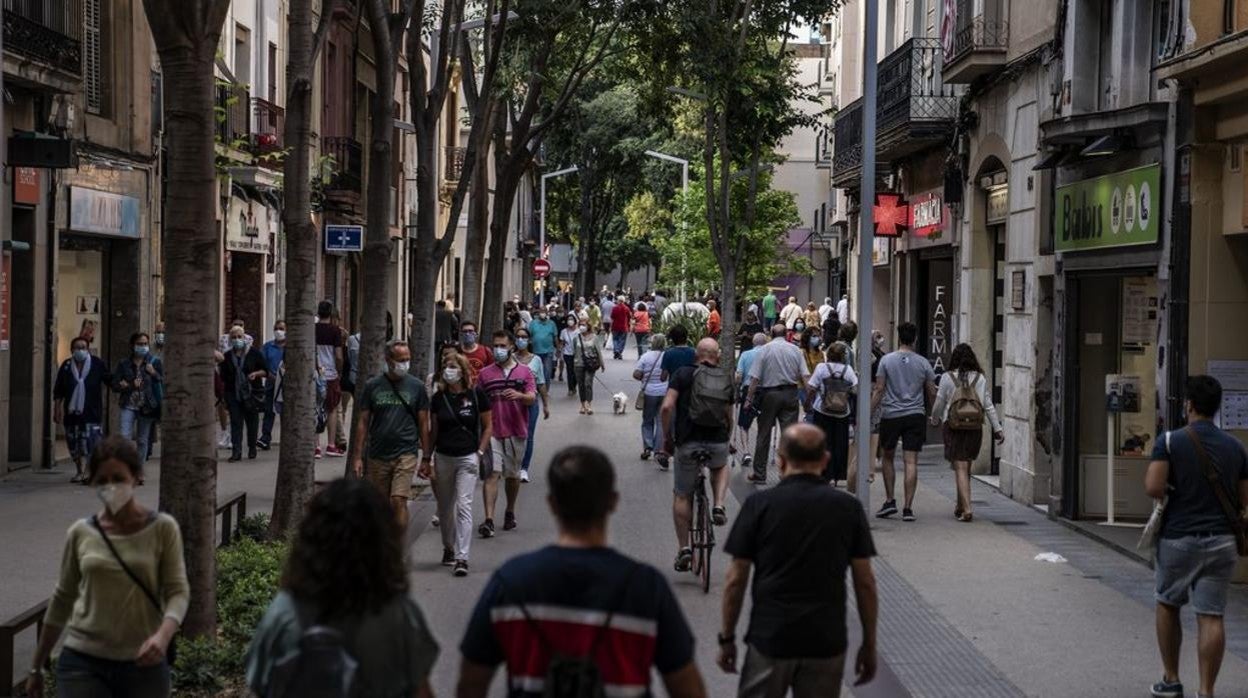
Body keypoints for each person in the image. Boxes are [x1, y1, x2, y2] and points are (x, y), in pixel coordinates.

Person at [457, 446, 707, 698]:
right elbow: (687, 687)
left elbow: (471, 685)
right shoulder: (647, 588)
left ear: (552, 504)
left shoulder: (510, 583)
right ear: (613, 501)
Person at [718, 424, 878, 698]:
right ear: (825, 460)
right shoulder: (848, 509)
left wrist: (727, 638)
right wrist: (869, 643)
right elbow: (865, 583)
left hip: (771, 638)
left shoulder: (759, 506)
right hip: (825, 641)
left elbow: (735, 579)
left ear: (780, 461)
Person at [245, 479, 439, 697]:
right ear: (384, 541)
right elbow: (420, 690)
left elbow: (261, 684)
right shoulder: (398, 613)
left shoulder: (284, 614)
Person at [27, 436, 189, 698]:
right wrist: (37, 667)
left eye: (118, 478)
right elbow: (62, 598)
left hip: (144, 664)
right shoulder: (81, 533)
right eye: (102, 480)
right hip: (83, 661)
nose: (110, 487)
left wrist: (163, 636)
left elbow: (178, 592)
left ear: (136, 477)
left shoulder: (162, 529)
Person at [1143, 375, 1248, 698]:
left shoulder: (1171, 441)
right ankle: (1207, 690)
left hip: (1178, 538)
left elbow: (1154, 487)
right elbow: (1244, 499)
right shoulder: (1236, 447)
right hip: (1221, 542)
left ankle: (1171, 679)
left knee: (1168, 604)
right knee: (1211, 614)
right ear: (1216, 407)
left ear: (1188, 404)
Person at [661, 338, 734, 572]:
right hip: (717, 441)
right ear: (717, 356)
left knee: (682, 495)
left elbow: (666, 407)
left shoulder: (682, 374)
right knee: (721, 465)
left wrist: (667, 438)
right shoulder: (725, 376)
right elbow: (728, 416)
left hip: (688, 442)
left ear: (696, 355)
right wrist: (726, 438)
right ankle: (719, 505)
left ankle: (684, 549)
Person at [351, 340, 432, 531]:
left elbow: (423, 422)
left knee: (398, 499)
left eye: (408, 359)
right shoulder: (373, 386)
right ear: (388, 360)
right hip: (378, 454)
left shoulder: (417, 387)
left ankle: (397, 545)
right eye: (400, 359)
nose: (405, 363)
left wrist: (426, 457)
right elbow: (363, 422)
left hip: (406, 452)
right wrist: (357, 457)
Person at [430, 353, 492, 576]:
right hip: (443, 457)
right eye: (446, 366)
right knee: (445, 508)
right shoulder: (438, 398)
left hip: (468, 457)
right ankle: (448, 546)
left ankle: (462, 557)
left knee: (464, 506)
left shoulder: (476, 395)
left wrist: (480, 451)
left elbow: (487, 426)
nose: (449, 370)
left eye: (453, 366)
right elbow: (434, 430)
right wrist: (427, 457)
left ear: (463, 371)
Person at [871, 321, 937, 521]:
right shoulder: (923, 363)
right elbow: (931, 391)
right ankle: (908, 508)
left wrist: (868, 411)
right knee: (911, 461)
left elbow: (879, 389)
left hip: (891, 415)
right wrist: (935, 413)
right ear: (915, 339)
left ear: (899, 338)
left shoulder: (886, 361)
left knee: (888, 458)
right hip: (915, 415)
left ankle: (890, 500)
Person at [929, 343, 1003, 521]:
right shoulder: (980, 378)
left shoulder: (947, 378)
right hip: (975, 427)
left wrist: (934, 419)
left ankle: (967, 508)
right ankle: (960, 505)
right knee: (965, 466)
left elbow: (939, 403)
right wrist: (998, 428)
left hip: (953, 426)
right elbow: (987, 405)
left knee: (959, 466)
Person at [477, 331, 537, 536]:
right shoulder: (485, 374)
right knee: (492, 474)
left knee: (512, 476)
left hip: (516, 430)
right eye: (495, 345)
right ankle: (489, 520)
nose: (498, 350)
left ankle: (510, 511)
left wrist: (520, 395)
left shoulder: (525, 372)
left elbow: (531, 398)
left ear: (511, 346)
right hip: (492, 431)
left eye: (502, 345)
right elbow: (478, 402)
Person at [744, 324, 810, 484]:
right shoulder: (795, 350)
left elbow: (755, 378)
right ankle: (788, 473)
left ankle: (759, 473)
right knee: (789, 436)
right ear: (786, 334)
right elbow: (805, 376)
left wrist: (748, 399)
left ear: (771, 334)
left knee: (763, 433)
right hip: (790, 394)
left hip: (769, 395)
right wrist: (810, 398)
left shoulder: (764, 350)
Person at [54, 336, 109, 483]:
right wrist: (57, 409)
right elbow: (58, 390)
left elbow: (110, 379)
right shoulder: (66, 367)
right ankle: (79, 470)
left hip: (91, 412)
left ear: (88, 349)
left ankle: (90, 472)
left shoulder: (97, 364)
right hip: (72, 415)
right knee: (74, 444)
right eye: (77, 348)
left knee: (91, 443)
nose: (80, 350)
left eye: (83, 347)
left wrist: (124, 383)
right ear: (72, 350)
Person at [806, 342, 858, 485]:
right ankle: (837, 475)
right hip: (842, 412)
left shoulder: (821, 368)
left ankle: (822, 473)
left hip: (821, 410)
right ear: (843, 356)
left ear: (828, 354)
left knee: (822, 442)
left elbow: (811, 388)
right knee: (840, 443)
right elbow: (855, 388)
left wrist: (807, 403)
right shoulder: (848, 370)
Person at [113, 332, 163, 466]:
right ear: (132, 345)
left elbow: (162, 381)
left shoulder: (155, 362)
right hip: (128, 405)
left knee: (142, 440)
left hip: (147, 406)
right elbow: (115, 384)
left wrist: (154, 373)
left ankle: (139, 470)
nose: (143, 346)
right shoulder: (123, 363)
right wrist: (128, 385)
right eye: (139, 344)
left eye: (145, 344)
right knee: (124, 438)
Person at [219, 326, 267, 462]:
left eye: (239, 337)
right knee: (235, 422)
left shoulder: (254, 353)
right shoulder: (227, 356)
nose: (237, 340)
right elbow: (223, 378)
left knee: (252, 422)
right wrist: (223, 396)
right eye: (233, 337)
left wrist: (256, 374)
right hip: (233, 394)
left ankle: (252, 447)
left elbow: (265, 371)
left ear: (244, 338)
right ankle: (236, 451)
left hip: (251, 393)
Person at [513, 326, 550, 483]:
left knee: (528, 435)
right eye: (518, 337)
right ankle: (512, 464)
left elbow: (541, 383)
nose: (521, 340)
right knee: (512, 435)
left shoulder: (536, 360)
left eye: (524, 337)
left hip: (531, 403)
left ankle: (524, 468)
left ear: (529, 341)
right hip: (511, 403)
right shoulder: (510, 358)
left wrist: (546, 405)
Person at [314, 301, 346, 458]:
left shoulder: (312, 330)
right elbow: (339, 356)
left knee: (315, 408)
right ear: (331, 313)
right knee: (332, 409)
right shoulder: (335, 331)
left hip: (315, 374)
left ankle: (316, 446)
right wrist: (339, 371)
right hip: (331, 374)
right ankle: (331, 444)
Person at [734, 333, 768, 470]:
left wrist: (737, 385)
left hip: (749, 390)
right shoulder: (768, 355)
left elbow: (739, 375)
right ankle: (761, 453)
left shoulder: (745, 355)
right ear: (765, 343)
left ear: (753, 343)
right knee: (764, 424)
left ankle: (746, 452)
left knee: (744, 424)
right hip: (766, 391)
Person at [633, 334, 669, 463]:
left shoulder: (645, 356)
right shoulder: (667, 356)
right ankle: (658, 450)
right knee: (660, 421)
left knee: (647, 420)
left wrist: (644, 377)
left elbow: (636, 374)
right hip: (664, 391)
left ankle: (648, 447)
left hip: (649, 392)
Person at [258, 319, 286, 450]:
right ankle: (265, 438)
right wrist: (270, 375)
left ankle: (286, 438)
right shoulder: (267, 347)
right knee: (269, 411)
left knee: (285, 413)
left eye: (282, 328)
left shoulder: (290, 347)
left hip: (285, 385)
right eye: (277, 328)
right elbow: (261, 364)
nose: (279, 331)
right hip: (271, 383)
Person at [571, 320, 605, 415]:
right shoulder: (576, 338)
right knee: (581, 385)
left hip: (591, 364)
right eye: (580, 325)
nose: (582, 327)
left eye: (584, 325)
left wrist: (602, 364)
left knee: (588, 383)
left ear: (588, 326)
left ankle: (589, 404)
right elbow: (574, 351)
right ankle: (582, 404)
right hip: (578, 364)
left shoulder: (594, 338)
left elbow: (598, 351)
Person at [527, 305, 559, 386]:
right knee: (535, 371)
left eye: (544, 311)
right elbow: (528, 336)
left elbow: (555, 337)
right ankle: (536, 388)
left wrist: (558, 348)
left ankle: (546, 389)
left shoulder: (551, 324)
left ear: (547, 313)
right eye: (541, 311)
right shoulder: (533, 323)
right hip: (536, 351)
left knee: (547, 372)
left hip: (548, 351)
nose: (542, 313)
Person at [459, 320, 492, 384]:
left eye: (470, 331)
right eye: (465, 331)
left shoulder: (485, 351)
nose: (467, 334)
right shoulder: (457, 351)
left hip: (481, 388)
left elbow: (491, 370)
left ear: (476, 334)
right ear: (461, 334)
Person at [559, 316, 580, 397]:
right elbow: (562, 342)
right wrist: (560, 351)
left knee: (576, 372)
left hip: (577, 354)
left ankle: (574, 386)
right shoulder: (564, 331)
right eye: (568, 320)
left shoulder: (578, 332)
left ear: (575, 321)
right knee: (569, 371)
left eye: (571, 320)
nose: (570, 321)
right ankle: (570, 389)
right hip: (567, 354)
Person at [609, 294, 631, 360]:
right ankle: (619, 351)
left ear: (618, 300)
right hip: (624, 326)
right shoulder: (627, 308)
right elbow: (629, 317)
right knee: (622, 340)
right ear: (624, 301)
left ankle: (616, 350)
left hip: (615, 326)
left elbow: (612, 317)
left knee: (615, 339)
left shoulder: (615, 308)